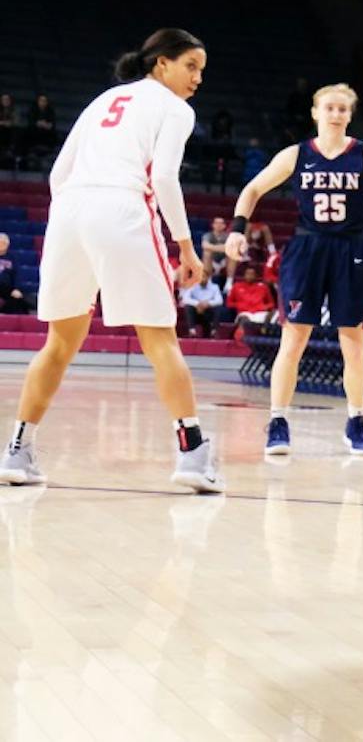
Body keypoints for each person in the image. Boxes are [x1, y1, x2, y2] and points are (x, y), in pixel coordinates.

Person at [0, 29, 224, 492]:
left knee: (59, 343)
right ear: (161, 64)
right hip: (122, 210)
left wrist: (77, 216)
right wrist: (185, 246)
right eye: (191, 66)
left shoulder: (103, 100)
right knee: (160, 338)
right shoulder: (175, 109)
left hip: (68, 212)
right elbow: (163, 177)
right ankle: (192, 454)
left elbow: (59, 172)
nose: (198, 78)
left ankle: (17, 451)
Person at [226, 83, 363, 457]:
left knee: (354, 342)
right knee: (293, 340)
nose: (336, 114)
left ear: (349, 115)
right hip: (308, 247)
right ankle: (278, 421)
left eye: (343, 109)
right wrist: (237, 229)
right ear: (315, 113)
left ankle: (356, 420)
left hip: (351, 250)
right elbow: (251, 189)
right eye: (329, 108)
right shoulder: (297, 155)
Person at [179, 264, 226, 336]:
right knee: (188, 307)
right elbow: (185, 299)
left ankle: (214, 331)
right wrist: (198, 304)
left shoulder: (214, 287)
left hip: (208, 312)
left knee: (218, 308)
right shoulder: (192, 285)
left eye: (204, 276)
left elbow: (219, 300)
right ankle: (192, 331)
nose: (202, 278)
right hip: (196, 312)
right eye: (200, 277)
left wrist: (207, 304)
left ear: (208, 277)